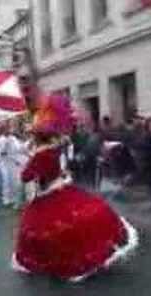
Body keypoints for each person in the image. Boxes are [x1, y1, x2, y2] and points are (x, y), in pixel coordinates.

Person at [12, 95, 138, 282]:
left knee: (46, 230)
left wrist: (30, 161)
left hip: (48, 193)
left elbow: (26, 176)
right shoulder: (55, 148)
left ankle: (67, 262)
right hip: (61, 187)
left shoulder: (41, 154)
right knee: (78, 219)